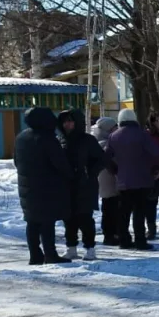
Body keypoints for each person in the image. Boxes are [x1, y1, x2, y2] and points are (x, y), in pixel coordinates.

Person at [14, 107, 73, 265]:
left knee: (32, 221)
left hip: (27, 186)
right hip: (47, 187)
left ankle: (35, 255)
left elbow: (16, 162)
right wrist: (71, 175)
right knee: (47, 222)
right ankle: (50, 254)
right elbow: (60, 163)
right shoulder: (47, 138)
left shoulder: (21, 137)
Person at [106, 108, 159, 250]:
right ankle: (140, 240)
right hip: (143, 179)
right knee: (140, 211)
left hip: (123, 180)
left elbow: (106, 158)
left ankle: (124, 240)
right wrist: (158, 169)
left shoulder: (113, 136)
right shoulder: (143, 135)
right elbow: (157, 153)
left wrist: (115, 171)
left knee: (124, 211)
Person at [58, 109, 106, 260]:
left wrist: (90, 172)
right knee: (68, 218)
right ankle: (71, 247)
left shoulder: (87, 140)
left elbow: (102, 159)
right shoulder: (60, 140)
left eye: (71, 121)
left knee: (85, 218)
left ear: (77, 122)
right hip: (66, 186)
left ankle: (90, 248)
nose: (68, 124)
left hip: (85, 185)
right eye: (65, 121)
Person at [92, 117, 121, 246]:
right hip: (110, 180)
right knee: (112, 209)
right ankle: (111, 234)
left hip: (104, 181)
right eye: (114, 127)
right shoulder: (107, 143)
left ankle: (110, 234)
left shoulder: (98, 141)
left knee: (108, 208)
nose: (117, 129)